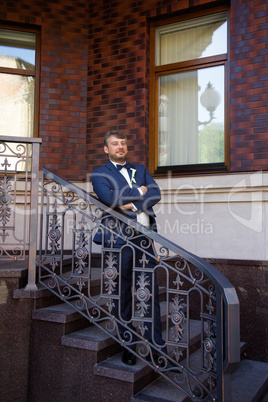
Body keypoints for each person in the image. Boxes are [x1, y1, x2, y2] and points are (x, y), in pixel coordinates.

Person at [91, 130, 166, 366]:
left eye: (123, 143)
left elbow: (156, 193)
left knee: (149, 292)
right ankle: (128, 344)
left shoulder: (141, 170)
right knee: (121, 293)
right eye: (115, 144)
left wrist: (129, 202)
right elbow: (109, 198)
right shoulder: (100, 173)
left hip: (143, 239)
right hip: (117, 240)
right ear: (106, 149)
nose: (120, 147)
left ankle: (157, 347)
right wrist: (138, 192)